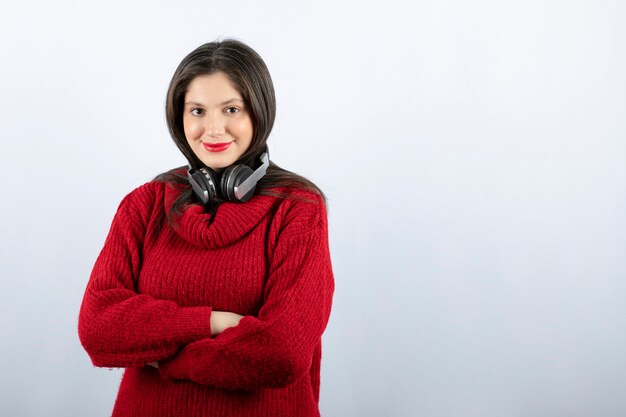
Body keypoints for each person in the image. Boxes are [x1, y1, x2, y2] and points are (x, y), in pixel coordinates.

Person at [78, 39, 334, 417]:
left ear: (259, 113)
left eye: (231, 109)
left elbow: (281, 352)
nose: (213, 129)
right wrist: (213, 322)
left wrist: (165, 360)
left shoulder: (298, 209)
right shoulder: (144, 205)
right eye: (197, 110)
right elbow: (98, 328)